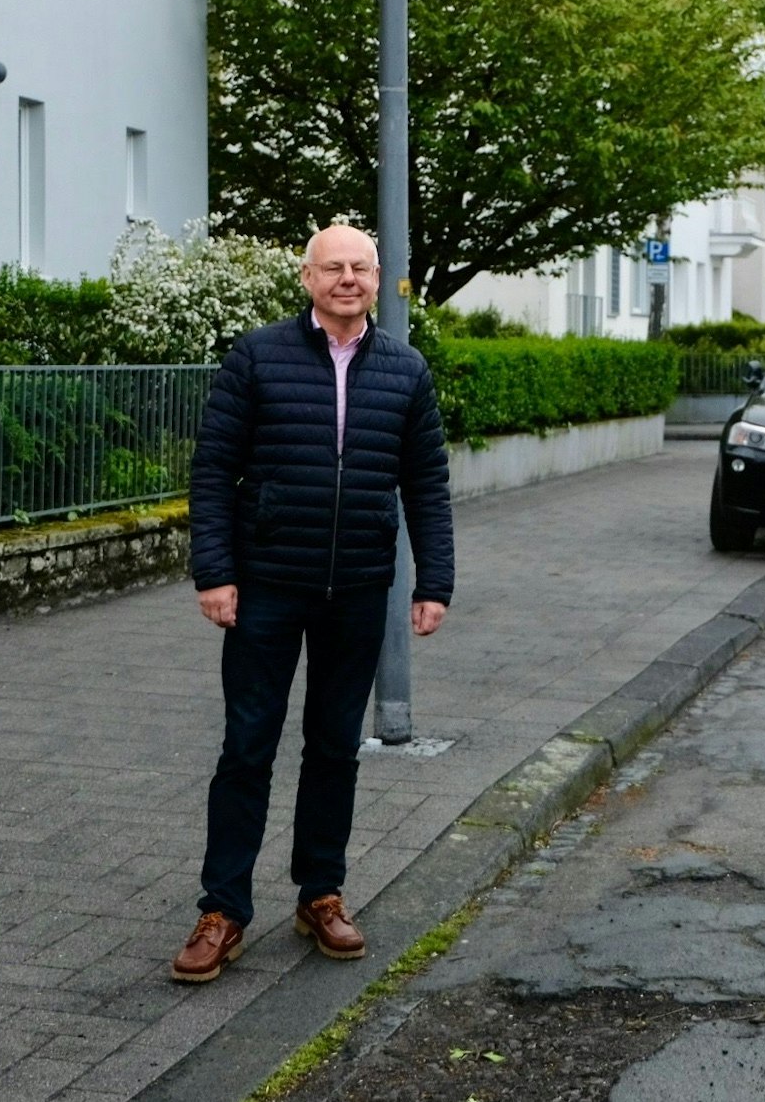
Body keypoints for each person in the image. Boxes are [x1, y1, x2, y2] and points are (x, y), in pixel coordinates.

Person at [172, 224, 454, 983]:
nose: (348, 280)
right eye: (334, 267)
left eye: (361, 267)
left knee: (335, 747)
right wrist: (214, 573)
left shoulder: (405, 370)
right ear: (306, 277)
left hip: (358, 587)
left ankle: (320, 893)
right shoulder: (257, 357)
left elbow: (426, 482)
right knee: (247, 747)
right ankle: (223, 909)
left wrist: (435, 582)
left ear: (378, 276)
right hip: (265, 585)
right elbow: (213, 471)